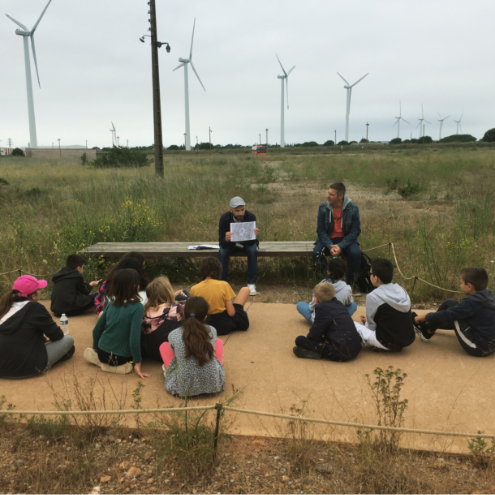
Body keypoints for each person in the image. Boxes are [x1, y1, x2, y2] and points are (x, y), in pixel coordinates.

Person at [0, 275, 75, 379]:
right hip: (27, 367)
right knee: (68, 341)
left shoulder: (4, 307)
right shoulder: (36, 308)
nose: (40, 291)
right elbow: (57, 335)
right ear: (33, 296)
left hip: (2, 367)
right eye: (38, 290)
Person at [413, 267, 495, 357]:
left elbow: (448, 315)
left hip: (479, 348)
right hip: (491, 344)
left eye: (461, 283)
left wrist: (425, 316)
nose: (460, 286)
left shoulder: (471, 302)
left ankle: (427, 332)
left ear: (469, 286)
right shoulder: (489, 294)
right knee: (451, 304)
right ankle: (429, 326)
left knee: (453, 313)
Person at [83, 268, 150, 378]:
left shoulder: (111, 302)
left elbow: (96, 330)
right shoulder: (138, 307)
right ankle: (117, 367)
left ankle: (99, 360)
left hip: (102, 352)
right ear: (134, 286)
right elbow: (134, 339)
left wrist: (96, 348)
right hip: (120, 358)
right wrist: (138, 363)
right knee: (145, 347)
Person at [160, 296, 225, 397]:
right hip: (214, 385)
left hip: (183, 388)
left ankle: (169, 370)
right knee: (218, 342)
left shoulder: (173, 334)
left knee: (164, 346)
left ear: (184, 315)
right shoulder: (212, 330)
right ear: (205, 317)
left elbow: (175, 352)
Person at [355, 259, 415, 352]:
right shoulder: (401, 290)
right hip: (407, 339)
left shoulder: (373, 296)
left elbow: (370, 326)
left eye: (370, 273)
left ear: (376, 278)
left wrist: (366, 324)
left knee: (352, 324)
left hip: (386, 342)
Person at [293, 283, 362, 361]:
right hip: (356, 348)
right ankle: (320, 349)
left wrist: (309, 341)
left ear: (316, 299)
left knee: (299, 340)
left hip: (341, 352)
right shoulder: (340, 305)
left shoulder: (322, 308)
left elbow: (315, 333)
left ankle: (317, 352)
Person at [312, 182, 361, 287]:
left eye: (331, 194)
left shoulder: (353, 209)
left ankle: (350, 284)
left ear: (340, 196)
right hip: (328, 239)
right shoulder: (323, 208)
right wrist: (330, 245)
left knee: (356, 254)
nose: (328, 196)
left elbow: (356, 231)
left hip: (346, 239)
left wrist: (340, 246)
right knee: (316, 253)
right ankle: (327, 281)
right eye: (328, 193)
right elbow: (320, 230)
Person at [190, 257, 250, 336]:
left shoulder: (194, 288)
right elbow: (231, 313)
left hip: (204, 327)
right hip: (223, 326)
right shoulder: (223, 285)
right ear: (219, 271)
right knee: (245, 290)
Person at [219, 196, 260, 295]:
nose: (240, 213)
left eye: (242, 210)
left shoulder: (251, 216)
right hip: (231, 244)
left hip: (246, 243)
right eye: (237, 211)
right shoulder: (224, 219)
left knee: (252, 251)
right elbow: (221, 242)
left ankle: (251, 283)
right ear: (230, 210)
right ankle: (223, 283)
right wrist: (226, 238)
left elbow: (251, 243)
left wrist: (254, 235)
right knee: (222, 252)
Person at [297, 257, 357, 324]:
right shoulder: (347, 288)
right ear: (344, 273)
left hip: (319, 322)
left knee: (300, 304)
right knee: (353, 305)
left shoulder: (320, 285)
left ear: (328, 271)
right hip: (337, 321)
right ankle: (339, 321)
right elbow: (349, 303)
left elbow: (312, 307)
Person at [141, 276, 185, 362]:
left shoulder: (145, 308)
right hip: (169, 354)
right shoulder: (176, 308)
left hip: (151, 352)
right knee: (187, 321)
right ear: (168, 292)